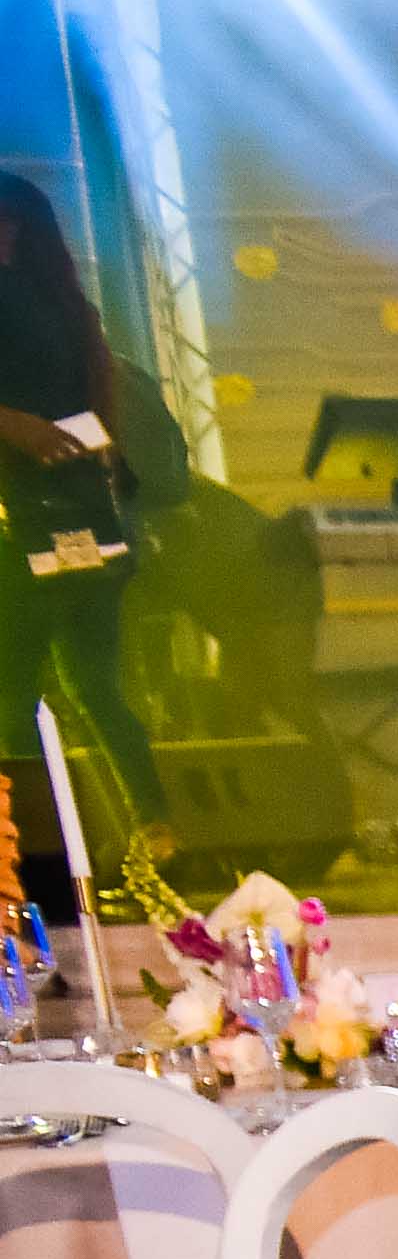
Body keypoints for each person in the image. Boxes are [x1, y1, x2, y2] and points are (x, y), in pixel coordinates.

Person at [0, 171, 167, 878]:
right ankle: (154, 832)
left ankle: (25, 855)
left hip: (21, 521)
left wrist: (18, 427)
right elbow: (105, 424)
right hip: (89, 522)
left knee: (13, 693)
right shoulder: (74, 312)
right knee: (95, 686)